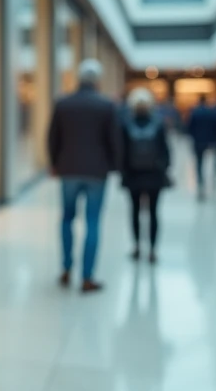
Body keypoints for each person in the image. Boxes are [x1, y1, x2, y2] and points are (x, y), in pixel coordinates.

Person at [48, 58, 122, 293]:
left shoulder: (63, 103)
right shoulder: (106, 105)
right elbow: (114, 140)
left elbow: (52, 137)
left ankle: (66, 268)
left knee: (67, 219)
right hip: (96, 172)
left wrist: (54, 163)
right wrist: (114, 166)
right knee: (92, 222)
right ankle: (87, 276)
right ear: (98, 80)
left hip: (68, 170)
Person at [121, 88, 171, 263]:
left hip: (133, 175)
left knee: (135, 211)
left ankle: (136, 246)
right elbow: (166, 151)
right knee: (153, 212)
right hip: (154, 175)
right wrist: (163, 168)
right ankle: (152, 249)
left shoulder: (126, 124)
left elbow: (122, 152)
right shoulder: (158, 124)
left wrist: (123, 170)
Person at [186, 95, 216, 199]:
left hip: (198, 141)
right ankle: (214, 177)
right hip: (210, 140)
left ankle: (201, 183)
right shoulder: (211, 112)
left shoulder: (195, 112)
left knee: (199, 162)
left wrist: (192, 137)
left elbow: (190, 127)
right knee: (213, 160)